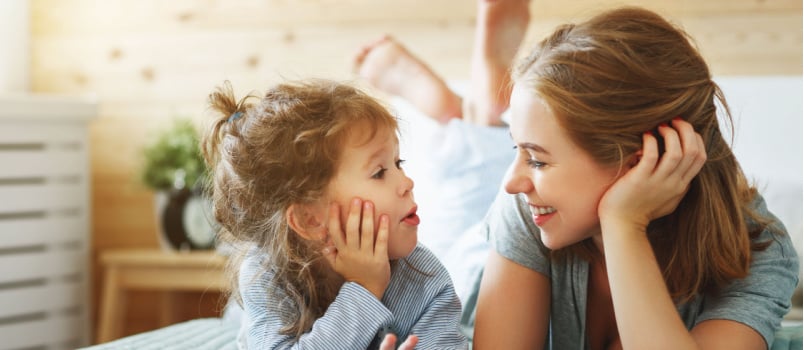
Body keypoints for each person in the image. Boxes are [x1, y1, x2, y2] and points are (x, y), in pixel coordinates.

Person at [473, 6, 799, 350]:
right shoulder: (528, 208)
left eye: (537, 161)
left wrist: (623, 224)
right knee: (473, 164)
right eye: (520, 152)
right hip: (478, 260)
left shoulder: (760, 251)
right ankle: (489, 92)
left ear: (641, 163)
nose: (512, 183)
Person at [201, 79, 468, 350]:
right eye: (379, 172)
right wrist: (363, 290)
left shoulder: (426, 281)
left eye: (399, 163)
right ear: (310, 220)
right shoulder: (267, 273)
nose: (406, 182)